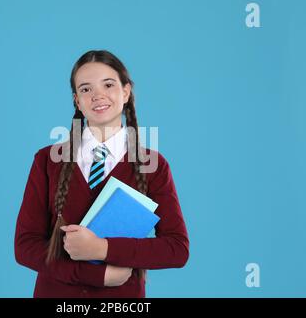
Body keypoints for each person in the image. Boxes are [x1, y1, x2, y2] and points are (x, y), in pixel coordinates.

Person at [14, 50, 189, 297]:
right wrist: (95, 274)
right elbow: (25, 246)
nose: (97, 95)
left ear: (126, 92)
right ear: (76, 100)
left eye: (108, 84)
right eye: (85, 89)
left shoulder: (153, 165)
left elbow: (176, 249)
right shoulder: (47, 160)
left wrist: (102, 248)